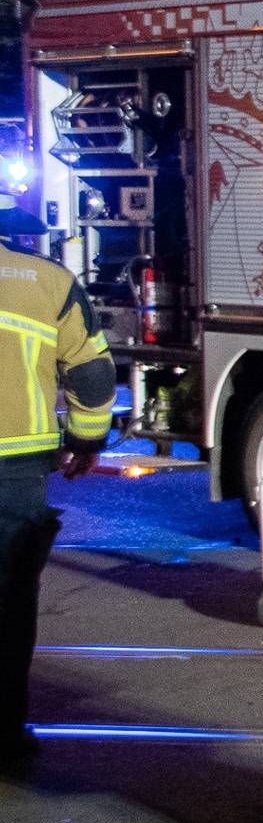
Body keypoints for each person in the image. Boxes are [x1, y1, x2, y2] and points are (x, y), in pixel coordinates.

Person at [0, 202, 116, 770]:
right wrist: (86, 441)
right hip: (17, 472)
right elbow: (92, 372)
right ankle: (5, 736)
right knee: (9, 606)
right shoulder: (48, 281)